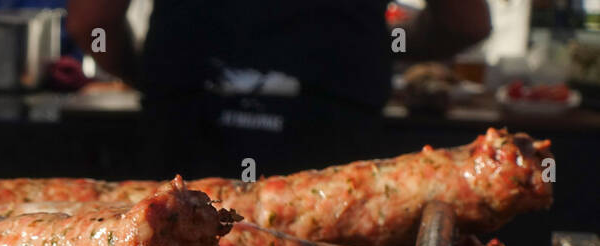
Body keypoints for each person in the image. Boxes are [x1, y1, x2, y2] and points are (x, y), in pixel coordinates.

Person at [66, 0, 491, 177]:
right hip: (331, 150)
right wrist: (390, 46)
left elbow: (91, 21)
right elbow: (466, 21)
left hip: (186, 132)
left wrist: (146, 74)